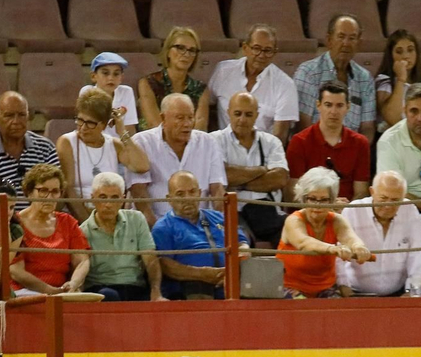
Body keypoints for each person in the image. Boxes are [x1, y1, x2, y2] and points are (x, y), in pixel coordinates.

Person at [129, 93, 226, 228]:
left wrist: (218, 225)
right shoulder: (142, 142)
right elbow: (139, 195)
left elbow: (217, 190)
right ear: (163, 118)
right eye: (180, 118)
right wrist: (158, 230)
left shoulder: (208, 142)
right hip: (156, 225)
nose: (187, 124)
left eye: (190, 117)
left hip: (201, 226)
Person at [152, 170, 248, 299]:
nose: (188, 198)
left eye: (192, 192)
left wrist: (233, 271)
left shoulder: (219, 217)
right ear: (169, 199)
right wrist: (203, 274)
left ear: (199, 192)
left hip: (232, 279)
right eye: (180, 194)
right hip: (191, 286)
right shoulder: (163, 227)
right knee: (197, 289)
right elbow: (166, 265)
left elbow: (243, 245)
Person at [277, 167, 372, 298]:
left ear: (332, 200)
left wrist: (359, 247)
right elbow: (304, 242)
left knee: (337, 309)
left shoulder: (336, 220)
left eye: (323, 200)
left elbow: (350, 238)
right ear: (304, 199)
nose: (318, 205)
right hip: (289, 287)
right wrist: (333, 249)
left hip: (325, 289)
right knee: (302, 307)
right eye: (312, 198)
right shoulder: (293, 220)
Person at [214, 91, 289, 247]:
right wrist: (262, 170)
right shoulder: (214, 140)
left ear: (256, 115)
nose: (242, 120)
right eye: (237, 113)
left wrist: (238, 184)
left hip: (267, 211)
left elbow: (279, 178)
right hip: (231, 211)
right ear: (228, 113)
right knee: (239, 244)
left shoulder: (271, 142)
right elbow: (222, 175)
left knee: (292, 239)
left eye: (248, 114)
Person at [338, 169, 421, 297]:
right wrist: (344, 288)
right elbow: (340, 255)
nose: (388, 206)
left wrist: (413, 292)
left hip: (399, 294)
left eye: (395, 200)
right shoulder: (352, 211)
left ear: (404, 197)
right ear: (372, 192)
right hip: (356, 293)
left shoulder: (410, 210)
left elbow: (418, 255)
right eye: (383, 198)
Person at [80, 171, 162, 302]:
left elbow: (150, 259)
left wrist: (156, 292)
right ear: (92, 198)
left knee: (174, 295)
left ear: (123, 199)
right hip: (101, 289)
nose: (108, 204)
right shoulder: (82, 231)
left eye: (114, 198)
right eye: (102, 197)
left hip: (136, 287)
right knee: (109, 296)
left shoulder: (136, 219)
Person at [12, 163, 90, 298]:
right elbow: (15, 271)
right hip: (24, 293)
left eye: (55, 191)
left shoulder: (67, 222)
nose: (49, 197)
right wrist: (49, 291)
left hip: (62, 292)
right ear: (29, 192)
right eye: (43, 191)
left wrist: (73, 283)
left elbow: (82, 261)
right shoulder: (15, 224)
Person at [58, 87, 149, 203]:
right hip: (81, 213)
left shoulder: (114, 145)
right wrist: (89, 220)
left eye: (90, 123)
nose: (83, 128)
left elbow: (142, 166)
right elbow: (68, 188)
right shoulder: (66, 142)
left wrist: (122, 132)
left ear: (104, 125)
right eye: (80, 120)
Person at [208, 24, 300, 138]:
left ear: (274, 53)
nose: (261, 55)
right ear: (245, 48)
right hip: (222, 148)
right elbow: (208, 106)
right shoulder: (223, 71)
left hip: (262, 152)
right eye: (256, 48)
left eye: (268, 50)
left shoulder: (285, 84)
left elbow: (279, 136)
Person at [293, 14, 378, 136]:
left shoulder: (365, 78)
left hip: (351, 150)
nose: (346, 43)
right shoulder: (308, 72)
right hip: (316, 147)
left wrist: (356, 150)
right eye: (341, 37)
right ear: (329, 40)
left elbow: (368, 128)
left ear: (359, 43)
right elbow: (303, 125)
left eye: (352, 38)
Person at [286, 81, 370, 202]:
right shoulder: (299, 141)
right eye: (328, 105)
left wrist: (345, 209)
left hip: (346, 213)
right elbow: (292, 193)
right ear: (318, 105)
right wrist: (323, 207)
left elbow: (361, 191)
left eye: (339, 105)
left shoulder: (360, 143)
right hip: (310, 212)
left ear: (348, 107)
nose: (334, 112)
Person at [0, 91, 59, 193]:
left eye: (22, 115)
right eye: (9, 115)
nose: (16, 121)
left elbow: (57, 190)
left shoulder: (46, 148)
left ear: (28, 117)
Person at [138, 26, 211, 133]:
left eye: (192, 50)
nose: (186, 54)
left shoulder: (201, 90)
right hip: (154, 144)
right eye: (180, 48)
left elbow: (200, 129)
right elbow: (153, 125)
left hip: (190, 146)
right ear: (168, 51)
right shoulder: (148, 83)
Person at [375, 29, 421, 133]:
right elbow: (393, 119)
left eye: (410, 50)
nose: (406, 56)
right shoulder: (384, 82)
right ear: (390, 55)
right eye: (399, 51)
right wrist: (401, 79)